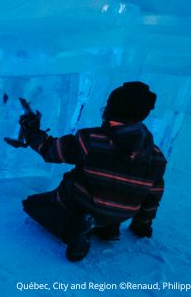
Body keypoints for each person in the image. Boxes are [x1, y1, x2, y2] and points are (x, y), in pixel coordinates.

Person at [19, 81, 167, 262]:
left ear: (111, 109)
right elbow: (153, 195)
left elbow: (52, 151)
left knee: (33, 204)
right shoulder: (156, 156)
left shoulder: (91, 140)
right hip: (122, 213)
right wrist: (143, 224)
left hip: (83, 203)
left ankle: (75, 228)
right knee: (111, 205)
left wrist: (32, 132)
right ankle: (105, 226)